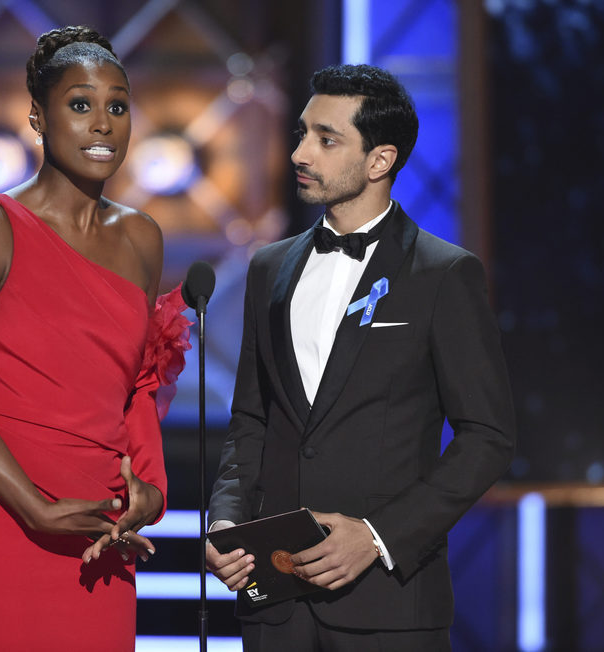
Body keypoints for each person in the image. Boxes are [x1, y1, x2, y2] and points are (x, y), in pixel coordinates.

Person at [205, 63, 516, 651]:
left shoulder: (443, 273)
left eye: (326, 139)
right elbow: (251, 418)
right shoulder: (268, 268)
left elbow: (487, 437)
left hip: (389, 609)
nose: (301, 152)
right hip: (275, 606)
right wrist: (226, 522)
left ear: (380, 161)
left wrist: (378, 536)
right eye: (302, 133)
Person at [0, 26, 190, 651]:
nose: (102, 124)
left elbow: (139, 384)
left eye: (117, 107)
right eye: (80, 105)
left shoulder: (142, 238)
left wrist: (148, 488)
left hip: (98, 528)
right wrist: (34, 507)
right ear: (37, 118)